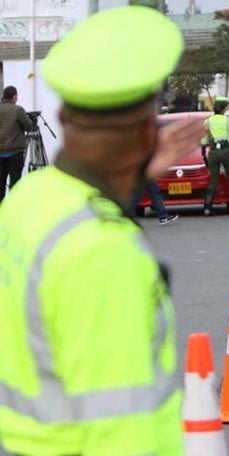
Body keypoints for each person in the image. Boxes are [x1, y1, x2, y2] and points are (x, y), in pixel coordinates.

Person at [0, 6, 205, 455]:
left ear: (65, 121)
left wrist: (135, 168)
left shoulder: (28, 199)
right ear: (145, 132)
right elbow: (121, 430)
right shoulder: (102, 251)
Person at [202, 96, 229, 215]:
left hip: (213, 152)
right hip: (226, 151)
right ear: (223, 109)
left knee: (213, 181)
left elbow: (204, 139)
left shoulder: (208, 121)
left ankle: (207, 208)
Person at [0, 85, 36, 203]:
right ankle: (13, 206)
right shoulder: (18, 110)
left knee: (0, 182)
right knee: (15, 183)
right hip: (15, 151)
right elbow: (29, 127)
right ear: (14, 96)